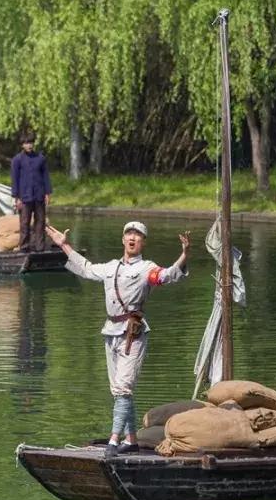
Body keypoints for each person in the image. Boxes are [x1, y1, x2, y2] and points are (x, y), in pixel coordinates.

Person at [45, 220, 190, 457]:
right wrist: (65, 245)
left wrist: (183, 256)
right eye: (129, 234)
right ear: (123, 239)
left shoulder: (146, 268)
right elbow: (87, 268)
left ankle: (114, 440)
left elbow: (164, 276)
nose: (132, 238)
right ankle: (131, 439)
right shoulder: (111, 267)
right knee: (119, 391)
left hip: (133, 334)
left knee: (123, 388)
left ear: (143, 242)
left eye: (138, 235)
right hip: (110, 331)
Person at [11, 132, 52, 252]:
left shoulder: (40, 158)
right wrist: (16, 197)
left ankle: (40, 247)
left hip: (39, 195)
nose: (29, 145)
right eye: (26, 143)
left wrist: (47, 193)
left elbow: (45, 177)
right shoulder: (17, 160)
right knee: (24, 223)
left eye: (31, 143)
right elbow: (15, 179)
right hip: (24, 197)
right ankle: (24, 247)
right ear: (22, 145)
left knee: (40, 222)